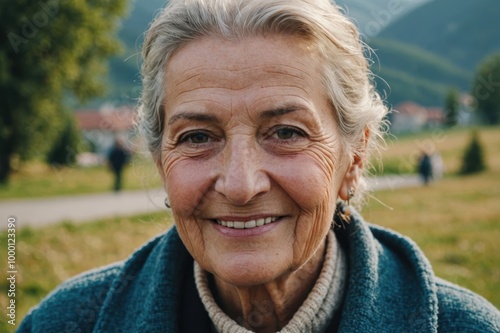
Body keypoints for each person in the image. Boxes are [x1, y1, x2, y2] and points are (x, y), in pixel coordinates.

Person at [18, 0, 499, 332]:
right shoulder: (63, 324)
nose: (241, 184)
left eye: (287, 133)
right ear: (162, 162)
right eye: (198, 137)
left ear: (353, 160)